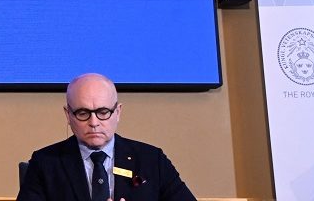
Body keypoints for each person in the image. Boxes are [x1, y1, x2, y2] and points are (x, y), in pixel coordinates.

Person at [17, 73, 195, 201]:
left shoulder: (152, 160)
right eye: (83, 113)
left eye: (103, 112)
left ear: (118, 112)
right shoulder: (45, 163)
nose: (94, 122)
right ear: (68, 115)